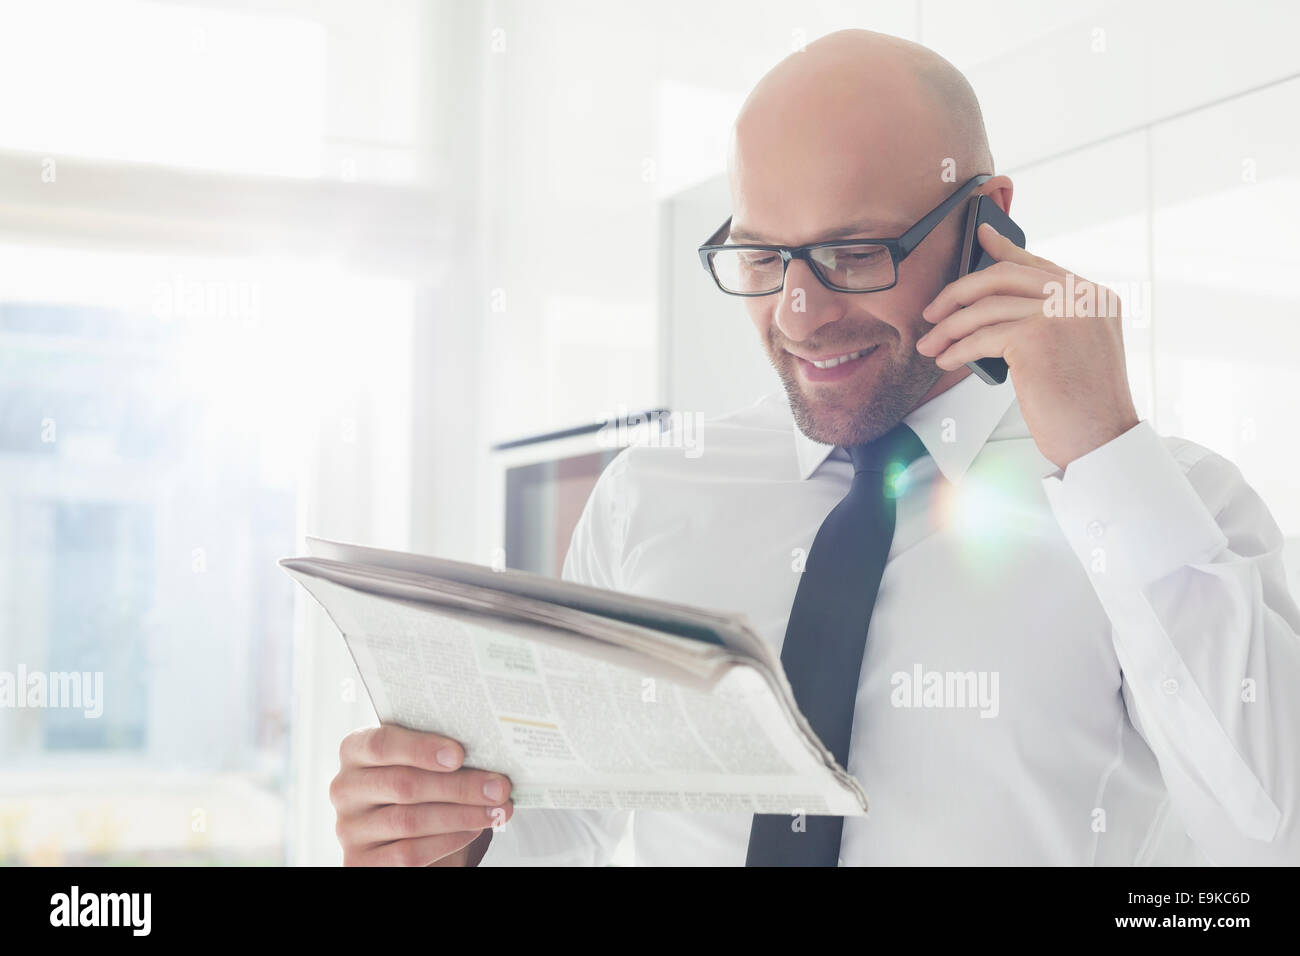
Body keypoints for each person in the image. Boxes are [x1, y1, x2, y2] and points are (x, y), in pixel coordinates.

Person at [328, 29, 1300, 866]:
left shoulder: (1171, 506)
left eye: (852, 252)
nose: (800, 313)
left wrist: (1103, 447)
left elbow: (1268, 829)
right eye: (760, 257)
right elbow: (568, 818)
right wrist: (451, 833)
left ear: (986, 219)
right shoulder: (652, 493)